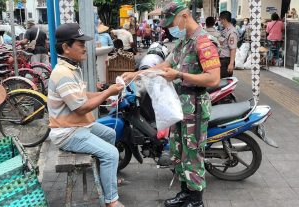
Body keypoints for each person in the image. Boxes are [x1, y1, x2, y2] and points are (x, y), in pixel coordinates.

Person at [122, 1, 220, 206]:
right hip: (179, 107)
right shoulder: (185, 41)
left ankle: (196, 199)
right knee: (180, 151)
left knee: (193, 153)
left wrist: (180, 75)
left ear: (184, 16)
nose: (170, 28)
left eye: (172, 22)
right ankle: (186, 193)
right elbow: (165, 65)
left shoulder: (203, 42)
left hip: (195, 107)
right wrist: (137, 74)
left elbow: (213, 79)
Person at [47, 23, 125, 207]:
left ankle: (107, 177)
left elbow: (82, 96)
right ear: (66, 47)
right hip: (67, 133)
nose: (84, 48)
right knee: (111, 153)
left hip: (78, 127)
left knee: (110, 134)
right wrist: (107, 93)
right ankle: (111, 201)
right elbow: (81, 108)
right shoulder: (63, 74)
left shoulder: (72, 68)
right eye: (80, 44)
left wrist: (107, 93)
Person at [218, 11, 238, 78]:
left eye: (220, 19)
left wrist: (231, 64)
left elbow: (233, 49)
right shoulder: (224, 31)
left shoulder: (232, 32)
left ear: (224, 19)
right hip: (222, 60)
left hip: (226, 61)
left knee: (224, 82)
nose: (220, 21)